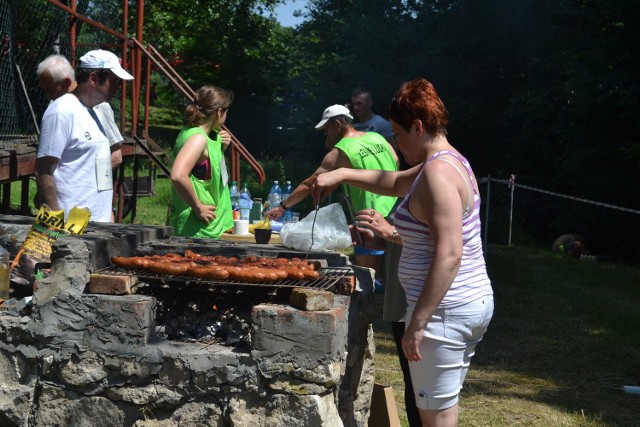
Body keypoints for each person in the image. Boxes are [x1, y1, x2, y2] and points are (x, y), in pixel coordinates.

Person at [314, 78, 494, 427]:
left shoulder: (438, 173)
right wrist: (341, 175)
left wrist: (419, 323)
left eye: (398, 133)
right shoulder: (446, 161)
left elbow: (450, 254)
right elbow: (394, 182)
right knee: (441, 414)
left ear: (418, 126)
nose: (396, 142)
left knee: (436, 420)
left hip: (444, 313)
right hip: (462, 305)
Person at [266, 104, 399, 270]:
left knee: (368, 277)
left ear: (337, 124)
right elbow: (395, 161)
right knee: (391, 274)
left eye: (327, 127)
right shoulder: (377, 137)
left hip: (369, 218)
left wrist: (283, 206)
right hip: (395, 213)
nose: (325, 133)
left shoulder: (340, 151)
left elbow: (310, 184)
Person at [35, 50, 133, 222]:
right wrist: (54, 225)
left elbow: (102, 163)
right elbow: (43, 171)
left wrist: (107, 212)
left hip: (99, 224)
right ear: (93, 79)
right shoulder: (61, 111)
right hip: (69, 227)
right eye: (114, 81)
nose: (118, 87)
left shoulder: (96, 111)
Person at [36, 54, 124, 170]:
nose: (47, 95)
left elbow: (116, 156)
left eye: (50, 89)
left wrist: (94, 182)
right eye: (44, 90)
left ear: (67, 82)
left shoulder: (99, 106)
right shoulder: (55, 107)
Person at [169, 85, 234, 238]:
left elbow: (203, 171)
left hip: (205, 228)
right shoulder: (198, 138)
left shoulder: (198, 134)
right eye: (225, 113)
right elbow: (178, 175)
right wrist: (198, 207)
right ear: (219, 112)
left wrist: (221, 148)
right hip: (196, 229)